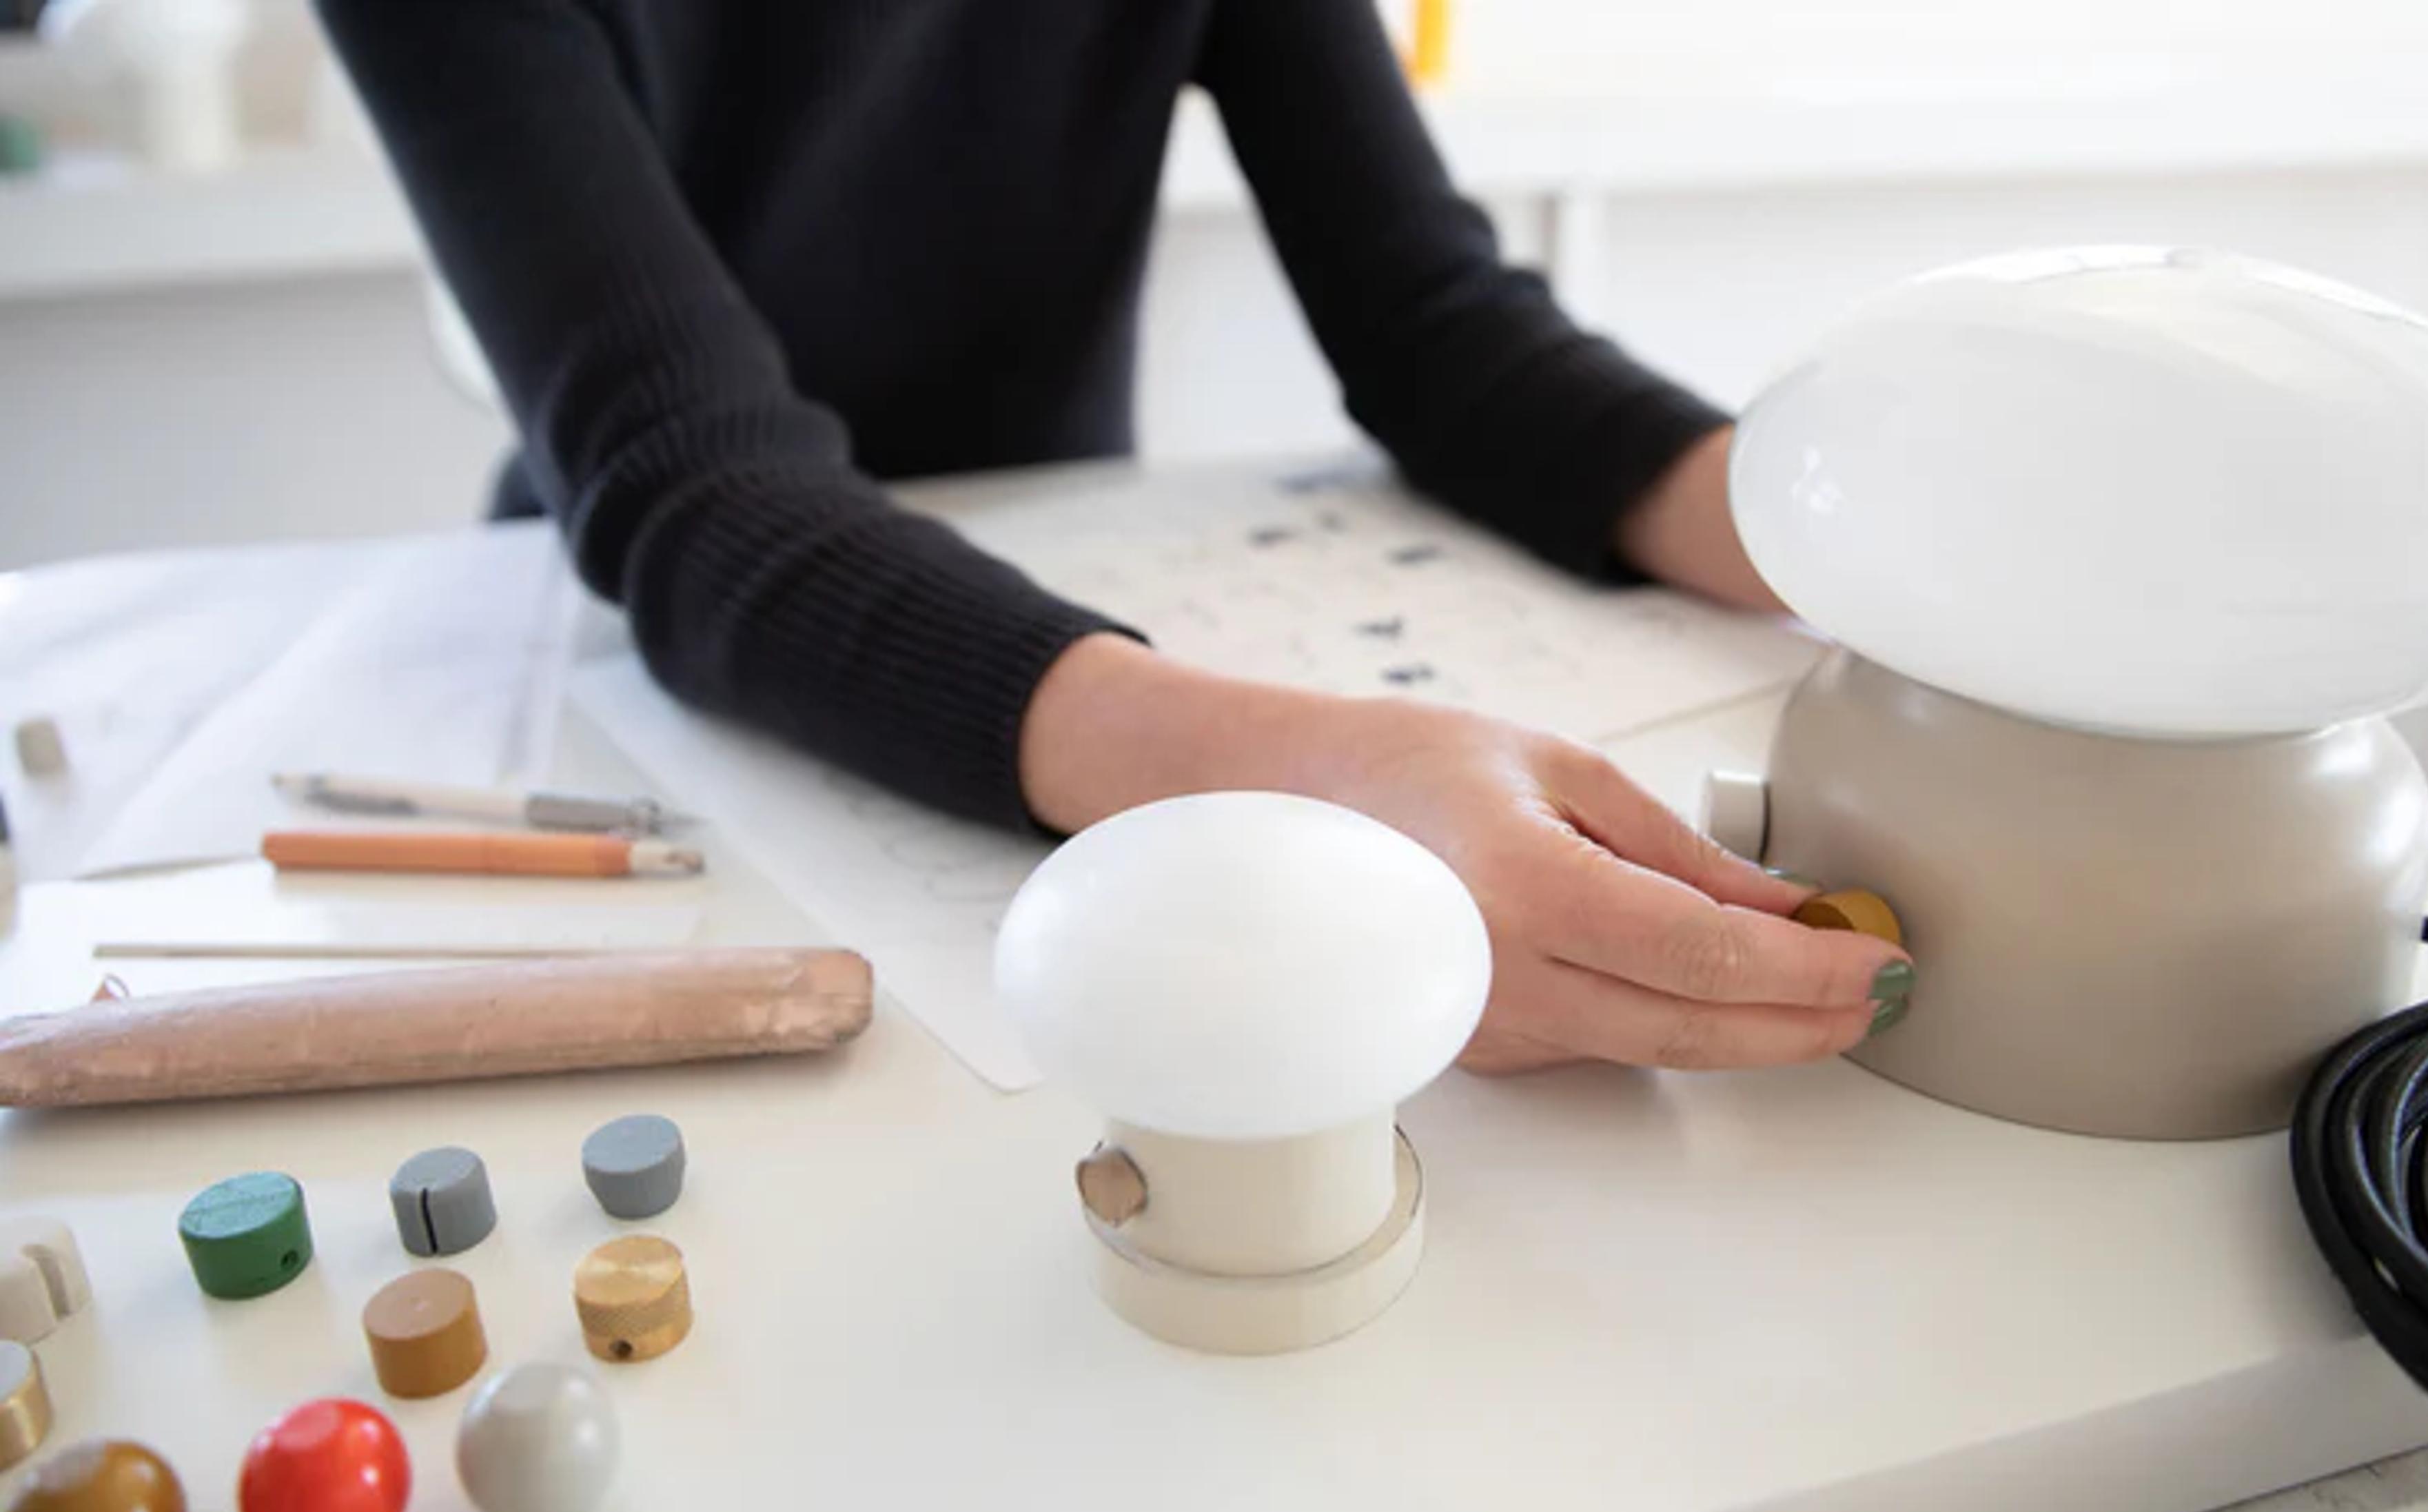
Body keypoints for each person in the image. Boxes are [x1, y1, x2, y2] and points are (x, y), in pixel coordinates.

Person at [318, 0, 1915, 1073]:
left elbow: (1440, 329)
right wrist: (1326, 780)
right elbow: (696, 492)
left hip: (1075, 612)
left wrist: (1872, 572)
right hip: (636, 702)